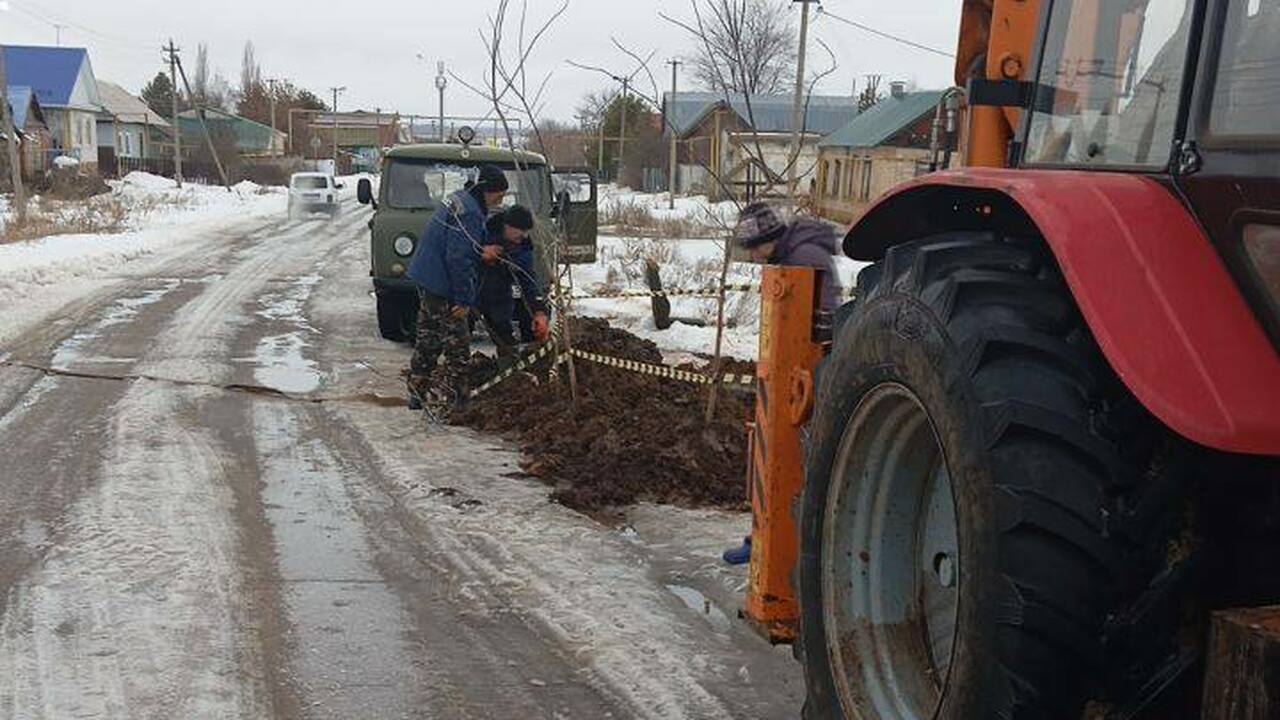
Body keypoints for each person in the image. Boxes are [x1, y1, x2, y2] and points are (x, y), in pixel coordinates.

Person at [405, 164, 509, 411]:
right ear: (489, 191)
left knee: (428, 336)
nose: (500, 199)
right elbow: (458, 258)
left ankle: (417, 392)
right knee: (457, 342)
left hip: (427, 274)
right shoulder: (471, 212)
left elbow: (461, 243)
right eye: (500, 194)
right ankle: (457, 399)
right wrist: (463, 300)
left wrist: (481, 249)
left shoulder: (460, 199)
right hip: (442, 280)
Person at [734, 201, 843, 339]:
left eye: (755, 248)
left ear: (770, 238)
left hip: (813, 348)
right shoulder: (787, 254)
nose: (754, 256)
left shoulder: (802, 256)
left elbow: (824, 312)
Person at [476, 205, 550, 359]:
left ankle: (509, 372)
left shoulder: (523, 249)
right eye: (520, 230)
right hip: (467, 292)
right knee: (457, 339)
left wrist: (539, 311)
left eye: (527, 231)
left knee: (507, 343)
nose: (524, 235)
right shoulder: (481, 232)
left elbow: (528, 281)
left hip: (499, 296)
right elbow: (460, 256)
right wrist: (480, 254)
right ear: (507, 226)